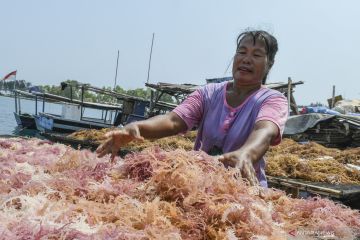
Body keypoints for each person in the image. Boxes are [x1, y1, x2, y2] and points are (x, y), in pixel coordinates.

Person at [97, 30, 288, 187]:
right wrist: (138, 127)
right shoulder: (209, 93)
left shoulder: (272, 100)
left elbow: (264, 130)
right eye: (242, 52)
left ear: (269, 63)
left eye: (256, 55)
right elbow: (173, 121)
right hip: (199, 183)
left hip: (243, 189)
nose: (246, 59)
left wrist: (246, 154)